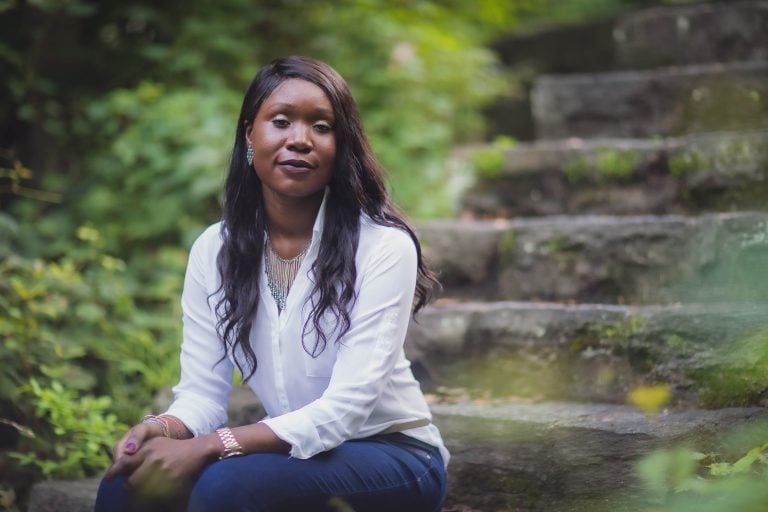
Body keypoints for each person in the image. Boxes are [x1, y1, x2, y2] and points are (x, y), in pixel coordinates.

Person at [95, 55, 449, 512]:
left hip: (392, 455)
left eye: (321, 127)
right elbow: (202, 395)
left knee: (227, 485)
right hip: (290, 453)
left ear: (341, 146)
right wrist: (161, 429)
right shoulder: (214, 250)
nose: (299, 140)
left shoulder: (382, 247)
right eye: (280, 122)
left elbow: (346, 410)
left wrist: (210, 446)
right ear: (250, 136)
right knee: (128, 483)